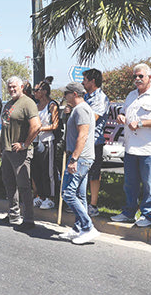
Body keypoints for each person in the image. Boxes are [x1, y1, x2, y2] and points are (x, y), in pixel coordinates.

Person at [110, 64, 151, 227]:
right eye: (135, 76)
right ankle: (129, 213)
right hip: (130, 147)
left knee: (149, 183)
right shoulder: (131, 95)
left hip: (149, 149)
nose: (137, 79)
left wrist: (141, 123)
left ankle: (147, 215)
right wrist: (121, 117)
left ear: (149, 77)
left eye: (140, 76)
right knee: (130, 183)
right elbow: (123, 112)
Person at [58, 82, 100, 244]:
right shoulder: (79, 109)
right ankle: (78, 228)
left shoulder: (81, 109)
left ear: (74, 94)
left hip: (80, 158)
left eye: (66, 93)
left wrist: (74, 158)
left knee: (67, 193)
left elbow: (82, 136)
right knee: (79, 195)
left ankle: (88, 227)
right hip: (82, 157)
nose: (64, 97)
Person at [0, 76, 41, 231]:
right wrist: (0, 145)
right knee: (9, 183)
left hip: (20, 153)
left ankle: (29, 219)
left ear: (22, 86)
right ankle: (13, 214)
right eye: (9, 87)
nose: (11, 89)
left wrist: (25, 144)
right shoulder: (8, 104)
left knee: (24, 186)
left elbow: (36, 126)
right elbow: (5, 126)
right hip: (7, 151)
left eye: (14, 86)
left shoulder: (28, 103)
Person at [81, 68, 110, 217]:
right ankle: (81, 202)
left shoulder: (101, 98)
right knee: (81, 173)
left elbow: (92, 118)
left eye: (85, 80)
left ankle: (93, 205)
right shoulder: (85, 97)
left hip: (94, 142)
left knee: (94, 174)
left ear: (93, 81)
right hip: (81, 141)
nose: (82, 82)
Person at [31, 79, 59, 210]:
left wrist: (40, 128)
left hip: (48, 142)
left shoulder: (52, 105)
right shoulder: (36, 106)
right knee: (37, 170)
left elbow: (55, 125)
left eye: (37, 90)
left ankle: (51, 197)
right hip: (37, 142)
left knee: (49, 171)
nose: (34, 92)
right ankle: (40, 196)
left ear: (44, 91)